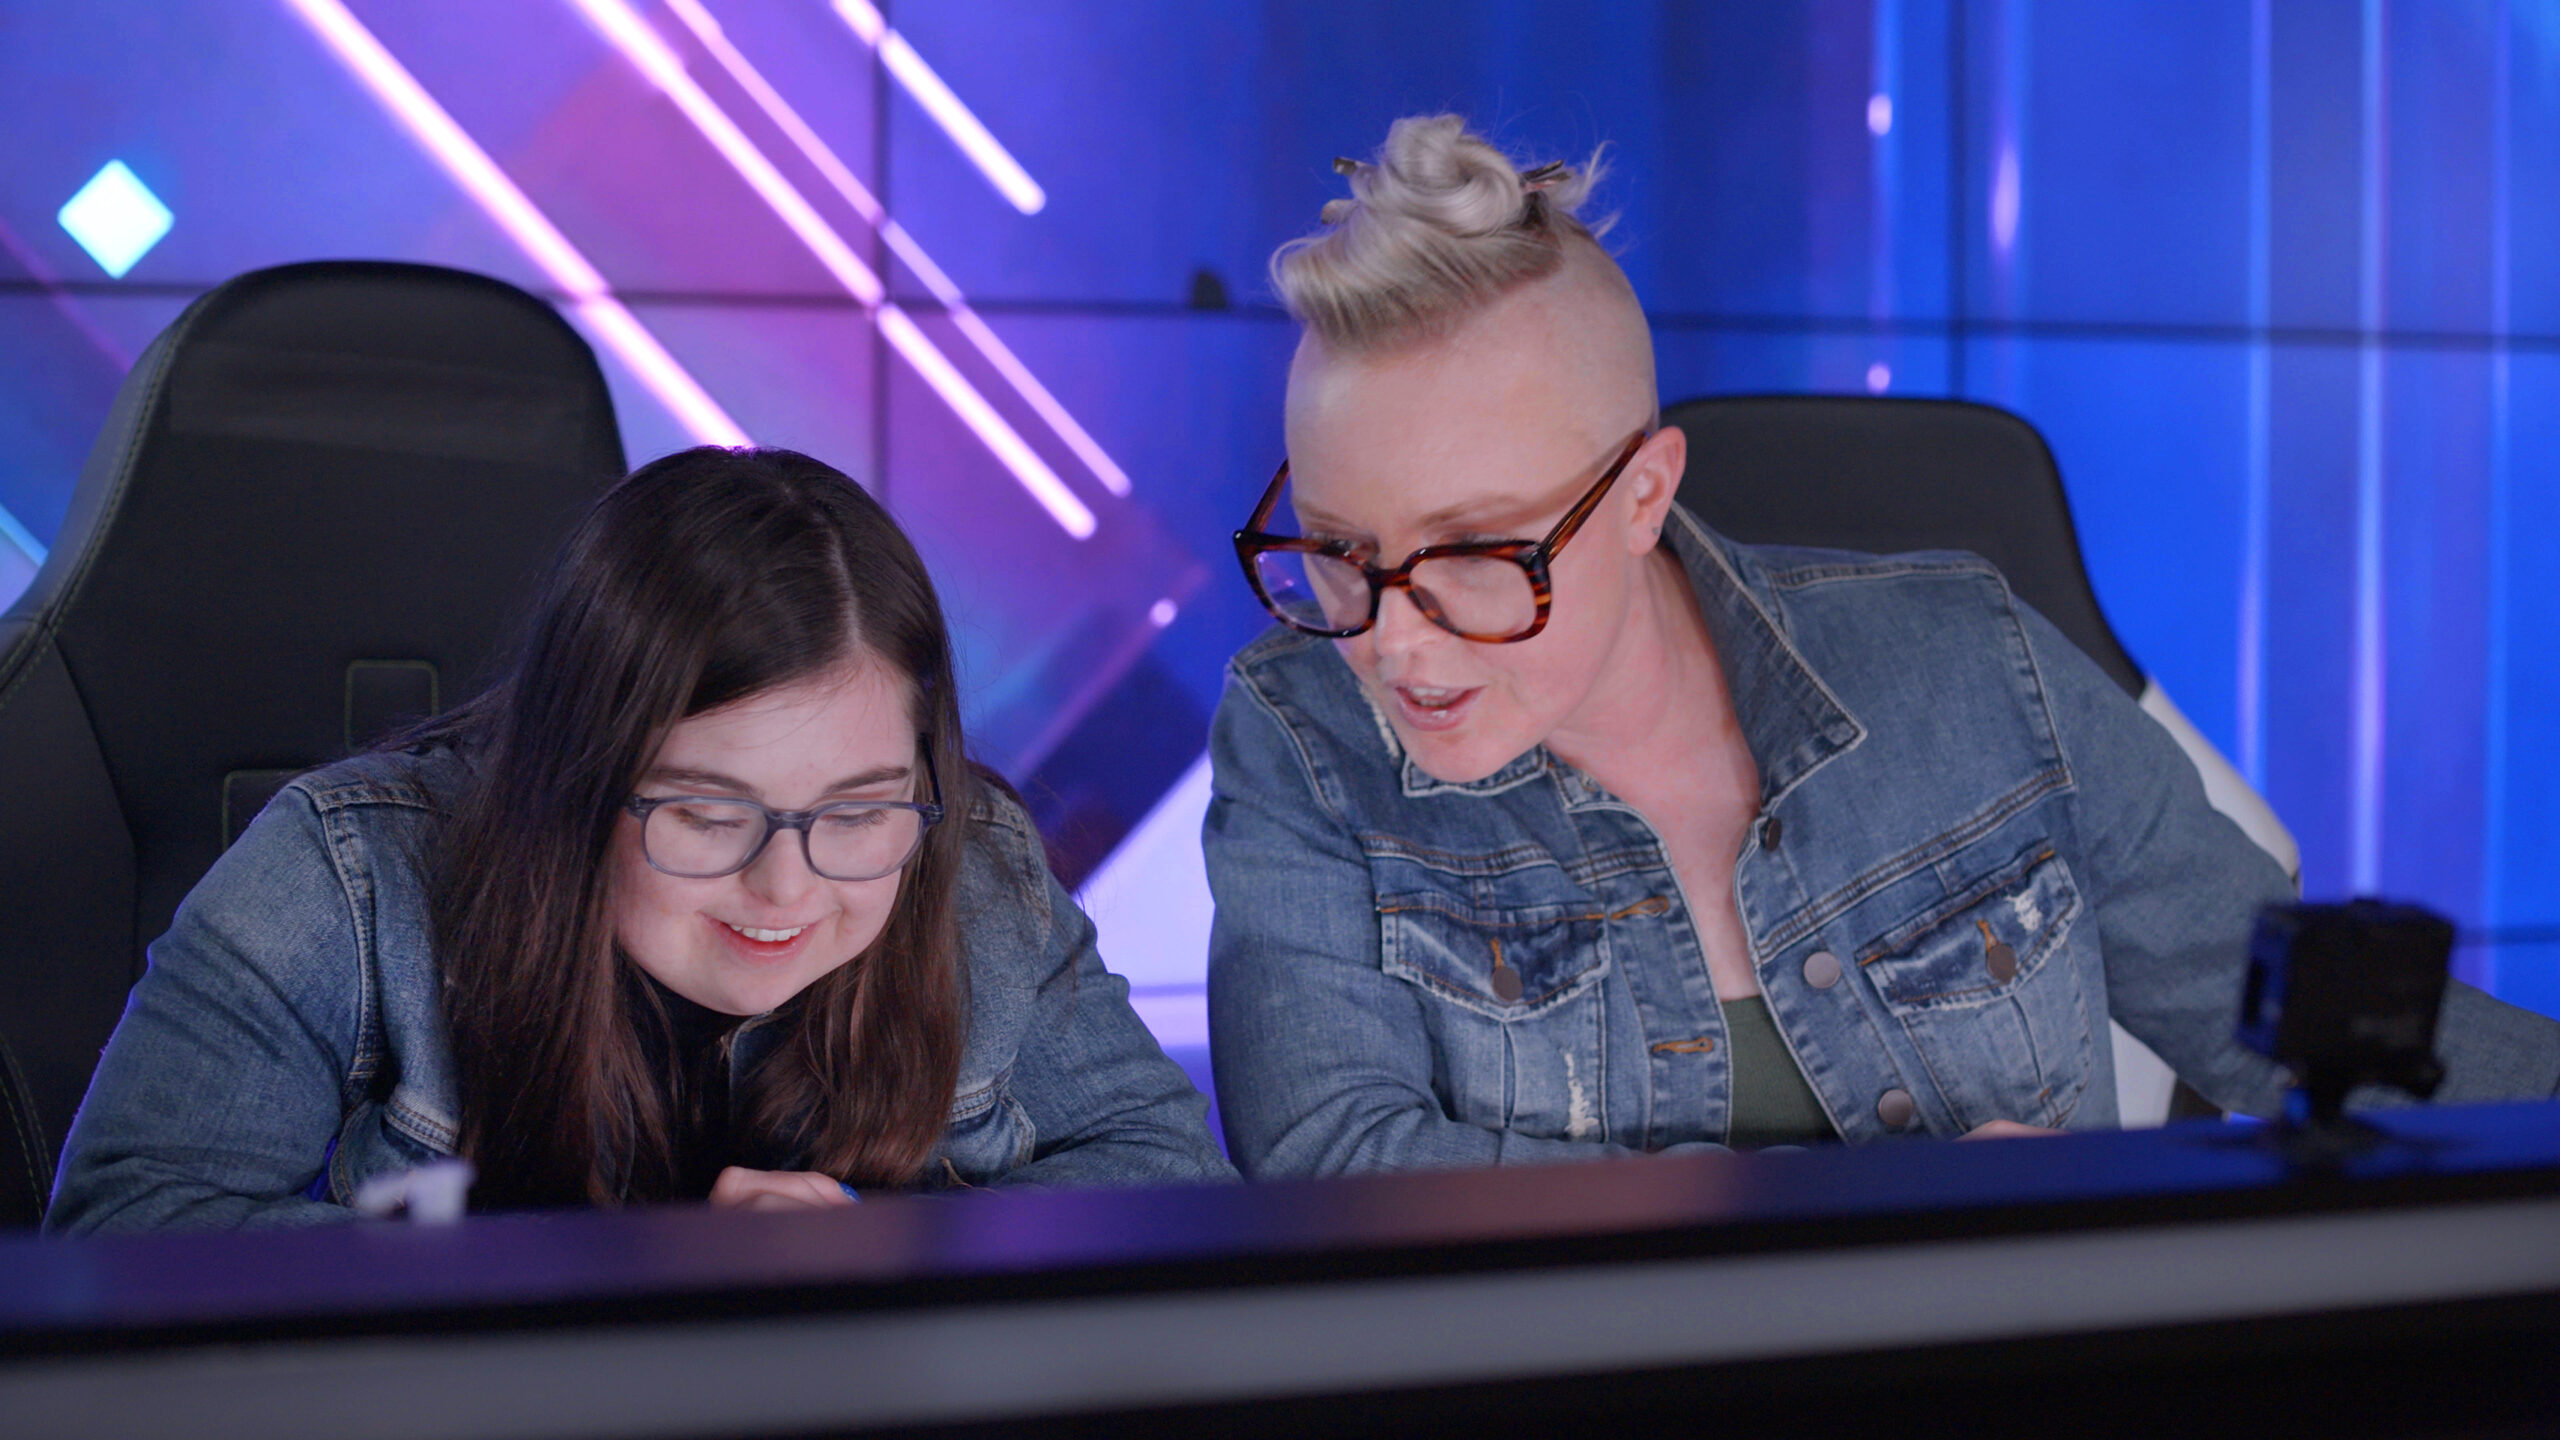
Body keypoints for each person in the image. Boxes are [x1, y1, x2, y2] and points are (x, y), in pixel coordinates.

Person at [1203, 115, 2560, 1179]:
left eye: (1476, 557)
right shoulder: (1301, 732)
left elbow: (2358, 1053)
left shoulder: (1972, 663)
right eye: (1336, 550)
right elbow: (1336, 1163)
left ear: (1642, 496)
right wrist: (1888, 1226)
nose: (1386, 640)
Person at [50, 447, 1232, 1231]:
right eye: (708, 813)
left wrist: (872, 1249)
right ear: (578, 772)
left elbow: (1178, 1192)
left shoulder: (972, 868)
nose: (787, 884)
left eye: (860, 810)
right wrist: (624, 1281)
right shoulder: (343, 874)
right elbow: (127, 1233)